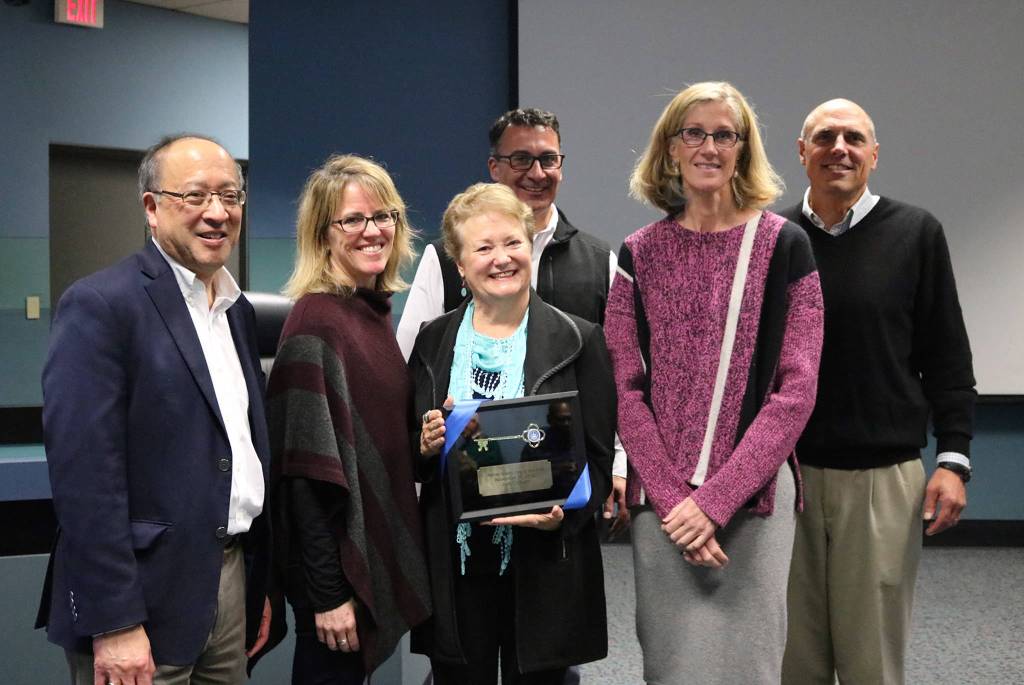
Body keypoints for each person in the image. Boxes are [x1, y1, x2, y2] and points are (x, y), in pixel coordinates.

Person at [604, 81, 824, 683]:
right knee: (672, 668)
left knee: (749, 667)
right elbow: (625, 389)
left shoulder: (786, 247)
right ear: (670, 148)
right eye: (693, 133)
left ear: (742, 148)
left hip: (753, 507)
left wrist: (717, 501)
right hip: (664, 508)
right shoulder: (637, 253)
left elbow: (795, 392)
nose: (708, 146)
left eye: (724, 134)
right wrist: (679, 504)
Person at [36, 134, 272, 685]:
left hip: (230, 578)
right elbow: (85, 480)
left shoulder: (235, 311)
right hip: (141, 597)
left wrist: (255, 587)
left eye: (231, 196)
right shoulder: (101, 305)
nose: (217, 213)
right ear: (152, 208)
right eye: (194, 196)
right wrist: (115, 621)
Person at [779, 99, 976, 685]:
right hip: (785, 478)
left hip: (883, 479)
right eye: (824, 137)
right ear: (801, 151)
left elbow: (947, 354)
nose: (838, 148)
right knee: (793, 657)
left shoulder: (916, 233)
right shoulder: (773, 238)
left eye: (853, 138)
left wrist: (954, 459)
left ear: (874, 154)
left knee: (873, 661)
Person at [410, 183, 615, 685]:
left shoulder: (580, 339)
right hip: (458, 567)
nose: (501, 258)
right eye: (482, 248)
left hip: (543, 561)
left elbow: (598, 463)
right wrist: (426, 445)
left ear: (530, 247)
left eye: (512, 243)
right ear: (459, 266)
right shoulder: (432, 340)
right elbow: (412, 455)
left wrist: (561, 518)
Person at [396, 108, 629, 537]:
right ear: (495, 167)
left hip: (554, 518)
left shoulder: (600, 262)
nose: (536, 173)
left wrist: (617, 464)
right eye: (521, 159)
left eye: (548, 159)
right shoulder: (441, 272)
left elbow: (616, 381)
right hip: (455, 519)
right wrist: (424, 442)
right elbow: (409, 383)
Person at [266, 154, 432, 684]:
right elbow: (303, 479)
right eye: (353, 220)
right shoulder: (316, 321)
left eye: (384, 216)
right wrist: (329, 596)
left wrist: (426, 439)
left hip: (351, 563)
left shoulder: (371, 312)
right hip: (334, 577)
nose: (372, 231)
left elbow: (379, 439)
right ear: (323, 233)